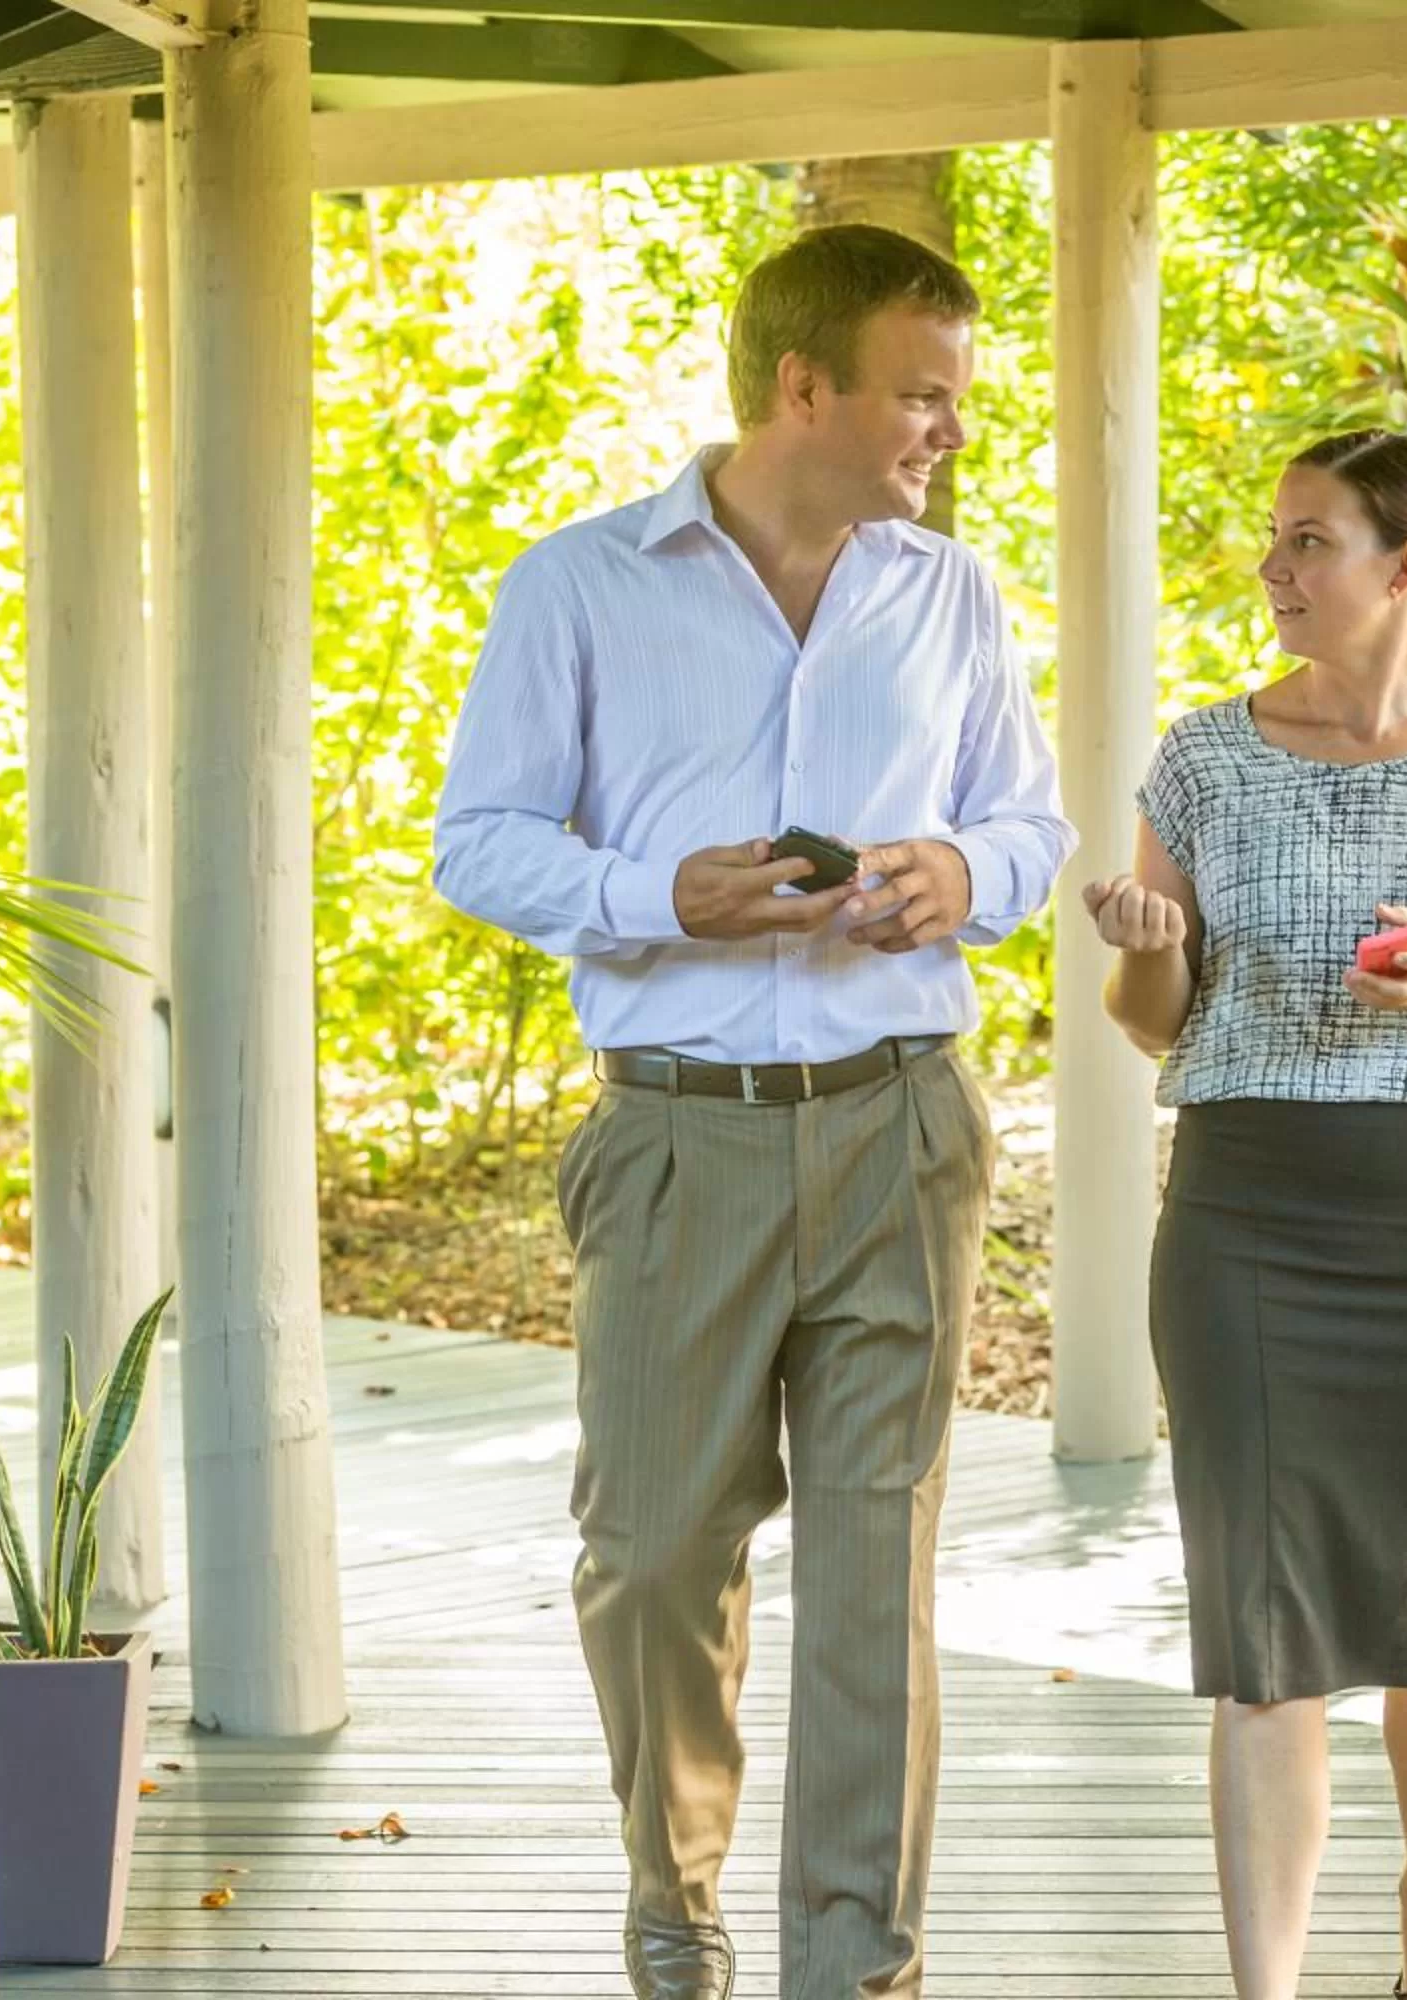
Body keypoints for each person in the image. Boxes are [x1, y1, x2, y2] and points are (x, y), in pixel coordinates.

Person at [431, 223, 1074, 2000]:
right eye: (920, 395)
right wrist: (659, 897)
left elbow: (1031, 825)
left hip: (901, 1130)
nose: (949, 429)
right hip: (674, 1140)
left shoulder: (954, 594)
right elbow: (478, 843)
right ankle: (677, 1896)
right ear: (805, 387)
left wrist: (960, 873)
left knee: (876, 1573)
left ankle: (857, 1962)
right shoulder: (580, 586)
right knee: (653, 1555)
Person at [1085, 429, 1407, 2000]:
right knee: (1264, 1628)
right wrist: (1149, 942)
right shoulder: (1200, 759)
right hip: (1245, 1218)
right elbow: (1155, 1023)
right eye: (1275, 539)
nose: (1274, 569)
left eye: (1308, 540)